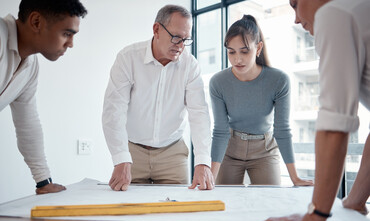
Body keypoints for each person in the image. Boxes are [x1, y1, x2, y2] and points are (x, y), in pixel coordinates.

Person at [252, 0, 370, 221]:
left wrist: (316, 214)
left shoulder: (336, 13)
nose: (295, 18)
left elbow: (334, 123)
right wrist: (355, 201)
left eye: (295, 4)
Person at [102, 5, 214, 191]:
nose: (180, 46)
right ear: (156, 30)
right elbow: (114, 110)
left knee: (176, 213)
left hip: (173, 153)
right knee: (129, 212)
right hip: (133, 151)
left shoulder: (190, 65)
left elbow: (199, 114)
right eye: (176, 37)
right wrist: (121, 157)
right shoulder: (128, 58)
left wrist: (203, 162)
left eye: (186, 40)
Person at [210, 15, 313, 187]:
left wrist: (295, 177)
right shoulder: (218, 82)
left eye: (244, 51)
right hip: (230, 150)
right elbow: (220, 131)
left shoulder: (279, 80)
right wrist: (210, 178)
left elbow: (282, 130)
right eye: (231, 52)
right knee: (226, 202)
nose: (237, 59)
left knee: (269, 201)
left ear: (258, 48)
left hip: (265, 151)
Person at [0, 0, 87, 194]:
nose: (71, 44)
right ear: (37, 22)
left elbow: (27, 124)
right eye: (66, 34)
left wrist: (43, 181)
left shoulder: (30, 67)